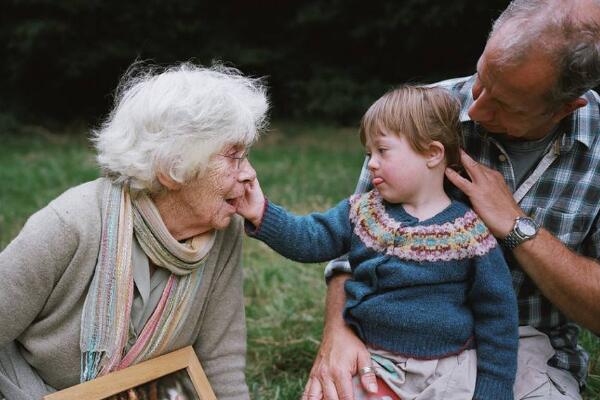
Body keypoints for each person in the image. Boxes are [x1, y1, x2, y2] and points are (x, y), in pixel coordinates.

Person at [307, 0, 600, 399]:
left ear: (566, 107)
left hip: (526, 347)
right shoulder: (419, 113)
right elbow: (352, 244)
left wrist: (518, 228)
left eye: (505, 105)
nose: (475, 109)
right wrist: (337, 332)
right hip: (402, 344)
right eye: (482, 78)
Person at [0, 62, 268, 400]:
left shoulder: (223, 232)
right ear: (173, 169)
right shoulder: (72, 221)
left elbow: (221, 360)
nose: (249, 174)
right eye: (234, 157)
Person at [238, 85, 519, 399]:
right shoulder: (364, 211)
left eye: (382, 151)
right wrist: (262, 213)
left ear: (432, 154)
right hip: (375, 360)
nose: (371, 163)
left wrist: (494, 388)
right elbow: (311, 238)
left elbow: (497, 314)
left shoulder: (469, 232)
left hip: (448, 370)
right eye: (369, 153)